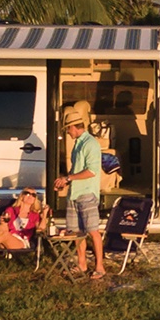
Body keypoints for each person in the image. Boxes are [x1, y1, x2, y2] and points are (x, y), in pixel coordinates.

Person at [55, 102, 107, 278]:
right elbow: (76, 169)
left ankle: (99, 266)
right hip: (74, 193)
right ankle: (82, 264)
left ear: (73, 127)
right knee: (77, 233)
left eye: (67, 129)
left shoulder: (90, 144)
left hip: (87, 193)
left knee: (93, 231)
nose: (67, 133)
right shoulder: (77, 144)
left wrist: (69, 178)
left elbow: (91, 171)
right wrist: (65, 181)